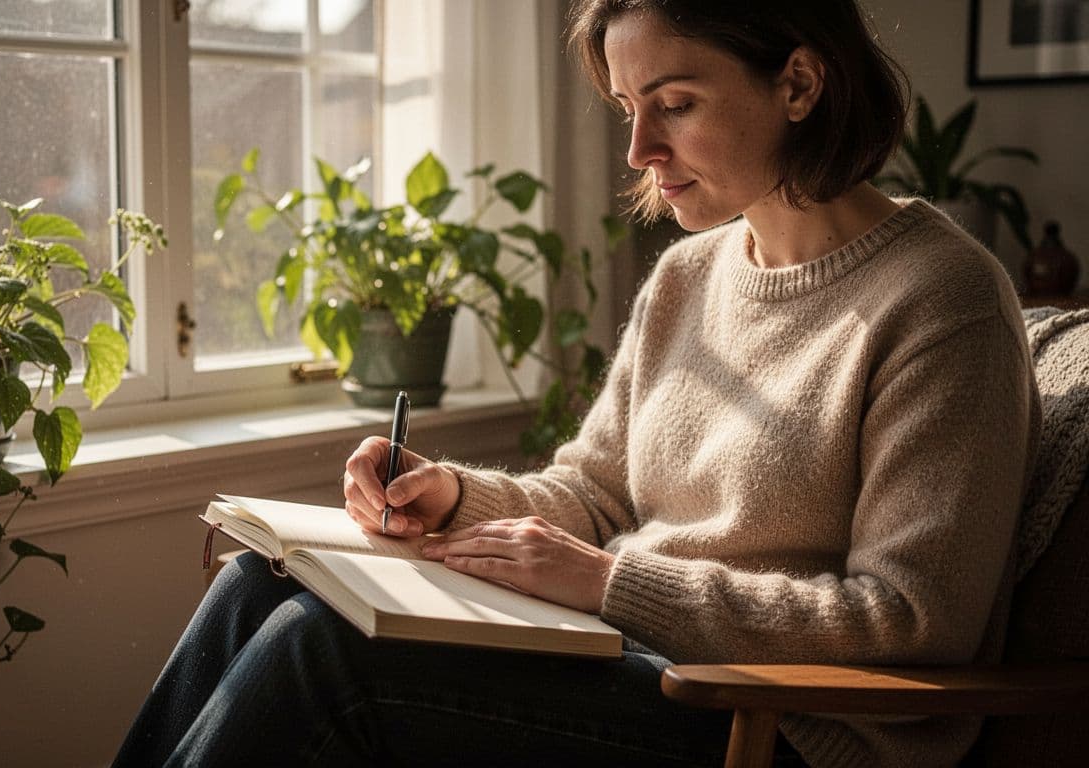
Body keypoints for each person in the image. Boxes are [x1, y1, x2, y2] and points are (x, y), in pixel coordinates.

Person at [112, 1, 1039, 766]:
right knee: (256, 588)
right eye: (629, 106)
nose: (638, 148)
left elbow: (911, 620)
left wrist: (611, 586)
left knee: (323, 659)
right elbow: (594, 495)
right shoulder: (689, 276)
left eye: (673, 103)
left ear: (798, 83)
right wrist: (454, 498)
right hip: (636, 661)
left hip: (780, 727)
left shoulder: (942, 301)